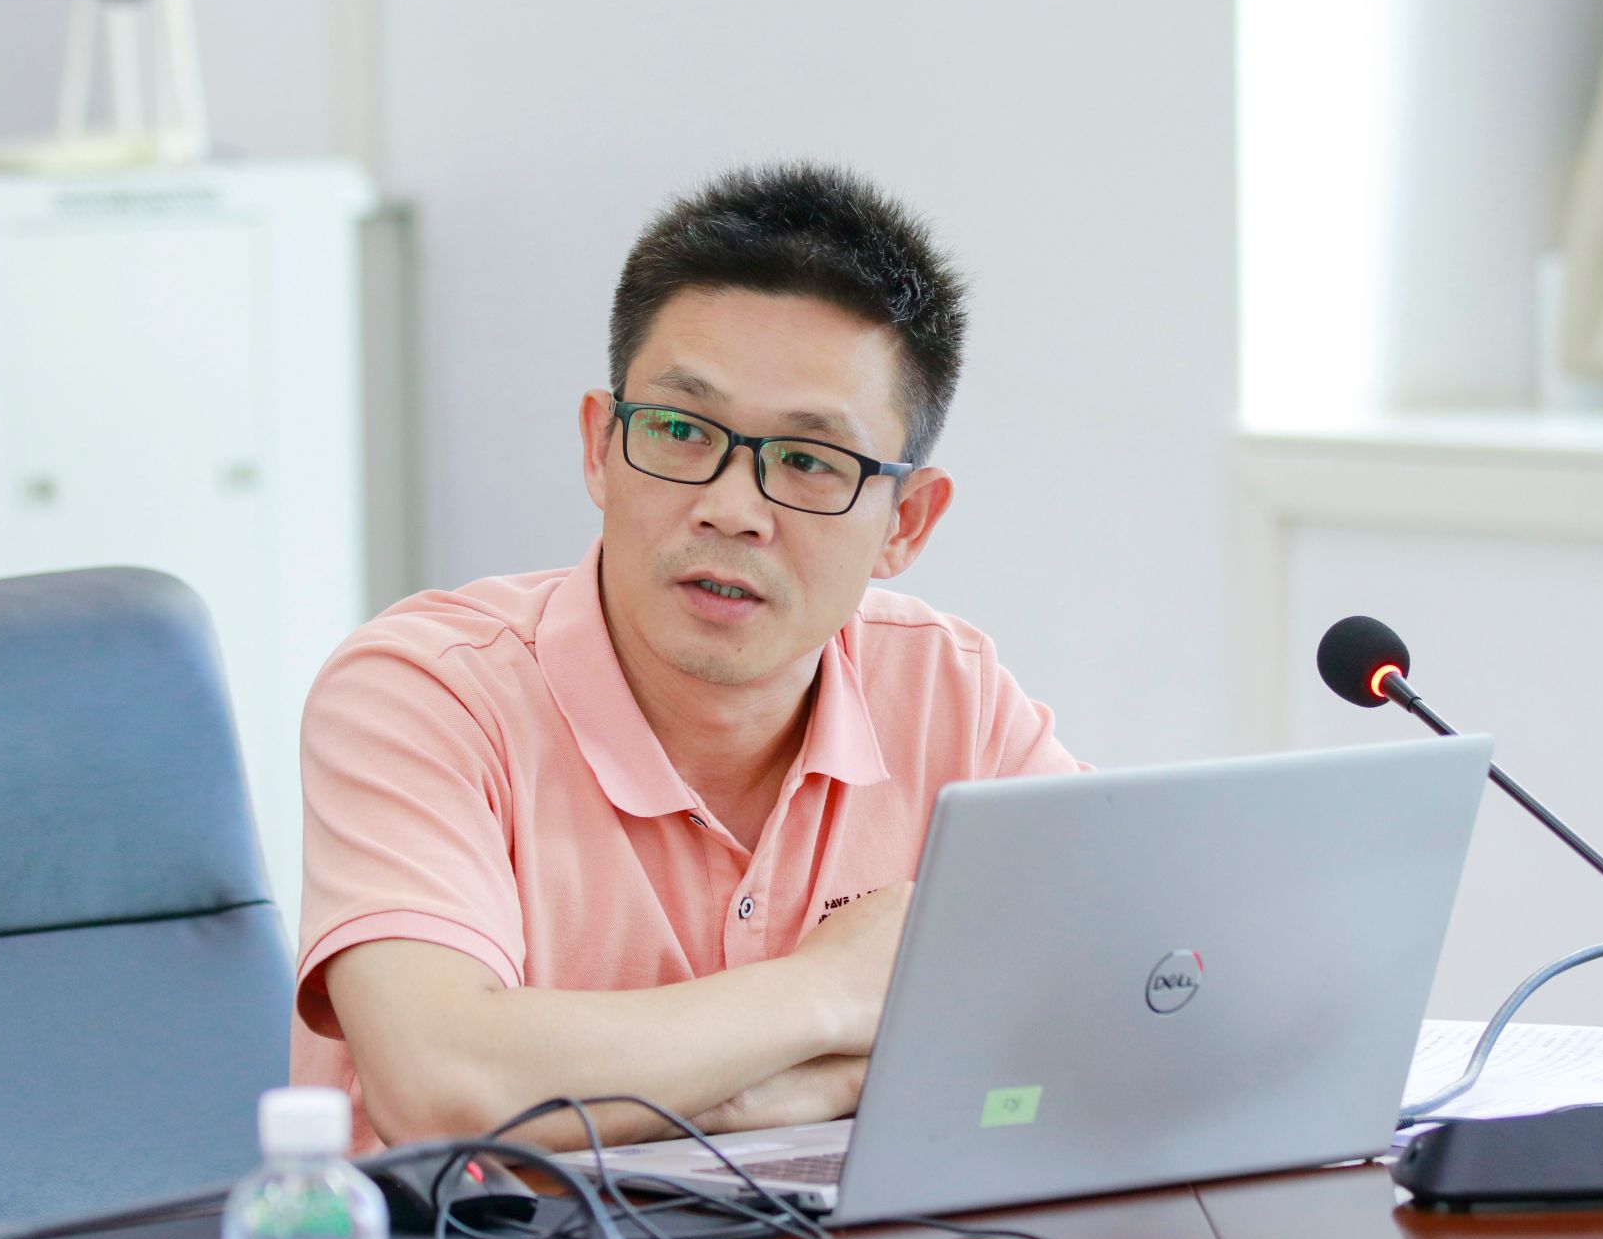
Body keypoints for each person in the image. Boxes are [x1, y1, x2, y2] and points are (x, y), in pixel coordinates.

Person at [291, 163, 1083, 1155]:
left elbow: (1103, 1020)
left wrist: (756, 1095)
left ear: (906, 523)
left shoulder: (948, 694)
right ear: (599, 446)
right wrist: (830, 992)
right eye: (678, 429)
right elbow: (447, 1086)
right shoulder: (424, 693)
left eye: (808, 460)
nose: (731, 507)